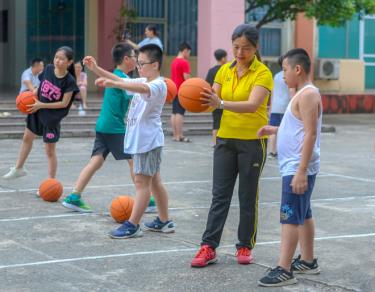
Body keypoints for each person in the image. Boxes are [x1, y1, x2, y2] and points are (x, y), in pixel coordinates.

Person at [191, 24, 273, 267]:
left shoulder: (263, 73)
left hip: (252, 142)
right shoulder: (223, 71)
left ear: (256, 48)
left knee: (248, 196)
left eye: (246, 48)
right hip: (225, 140)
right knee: (219, 196)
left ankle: (245, 246)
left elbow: (251, 104)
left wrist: (221, 103)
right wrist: (192, 98)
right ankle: (208, 247)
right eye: (236, 47)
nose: (239, 53)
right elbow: (210, 100)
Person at [86, 44, 175, 239]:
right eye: (138, 63)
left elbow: (136, 87)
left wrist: (117, 85)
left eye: (142, 63)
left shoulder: (159, 84)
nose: (139, 67)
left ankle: (132, 225)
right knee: (155, 182)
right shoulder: (144, 78)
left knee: (142, 183)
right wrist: (96, 69)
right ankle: (164, 221)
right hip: (144, 141)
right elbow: (120, 78)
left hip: (147, 142)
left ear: (155, 64)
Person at [257, 48, 322, 287]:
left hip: (297, 166)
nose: (282, 75)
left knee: (289, 217)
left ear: (297, 69)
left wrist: (301, 170)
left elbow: (310, 133)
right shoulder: (302, 94)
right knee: (303, 213)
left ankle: (284, 269)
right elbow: (297, 126)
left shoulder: (307, 95)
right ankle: (307, 260)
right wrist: (275, 130)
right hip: (295, 165)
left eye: (284, 69)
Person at [61, 43, 136, 213]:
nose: (136, 60)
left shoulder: (119, 76)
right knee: (135, 161)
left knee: (96, 161)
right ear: (126, 59)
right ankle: (148, 199)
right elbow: (126, 85)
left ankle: (74, 196)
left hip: (103, 125)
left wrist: (96, 68)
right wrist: (95, 68)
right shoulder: (122, 78)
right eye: (134, 56)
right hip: (114, 127)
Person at [3, 46, 79, 180]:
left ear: (69, 62)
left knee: (49, 151)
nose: (57, 61)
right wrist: (31, 95)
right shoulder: (48, 69)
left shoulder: (69, 81)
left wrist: (41, 105)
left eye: (62, 59)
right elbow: (41, 85)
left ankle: (51, 181)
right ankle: (19, 168)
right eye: (56, 57)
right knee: (27, 138)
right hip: (36, 110)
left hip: (51, 118)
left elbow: (64, 103)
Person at [268, 56, 290, 159]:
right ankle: (283, 152)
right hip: (286, 106)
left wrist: (271, 107)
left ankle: (272, 152)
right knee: (285, 130)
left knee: (273, 130)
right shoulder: (289, 75)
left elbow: (272, 93)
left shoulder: (276, 76)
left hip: (275, 106)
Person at [205, 49, 228, 146]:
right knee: (225, 122)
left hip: (214, 100)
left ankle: (215, 143)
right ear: (223, 58)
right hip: (225, 100)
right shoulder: (226, 70)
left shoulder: (211, 70)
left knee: (216, 123)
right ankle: (223, 142)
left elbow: (207, 85)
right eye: (226, 57)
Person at [170, 42, 191, 142]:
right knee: (180, 113)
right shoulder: (184, 62)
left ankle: (175, 135)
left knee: (174, 112)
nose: (189, 55)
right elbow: (186, 78)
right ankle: (179, 135)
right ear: (185, 50)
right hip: (181, 91)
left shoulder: (174, 61)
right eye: (189, 52)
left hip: (173, 90)